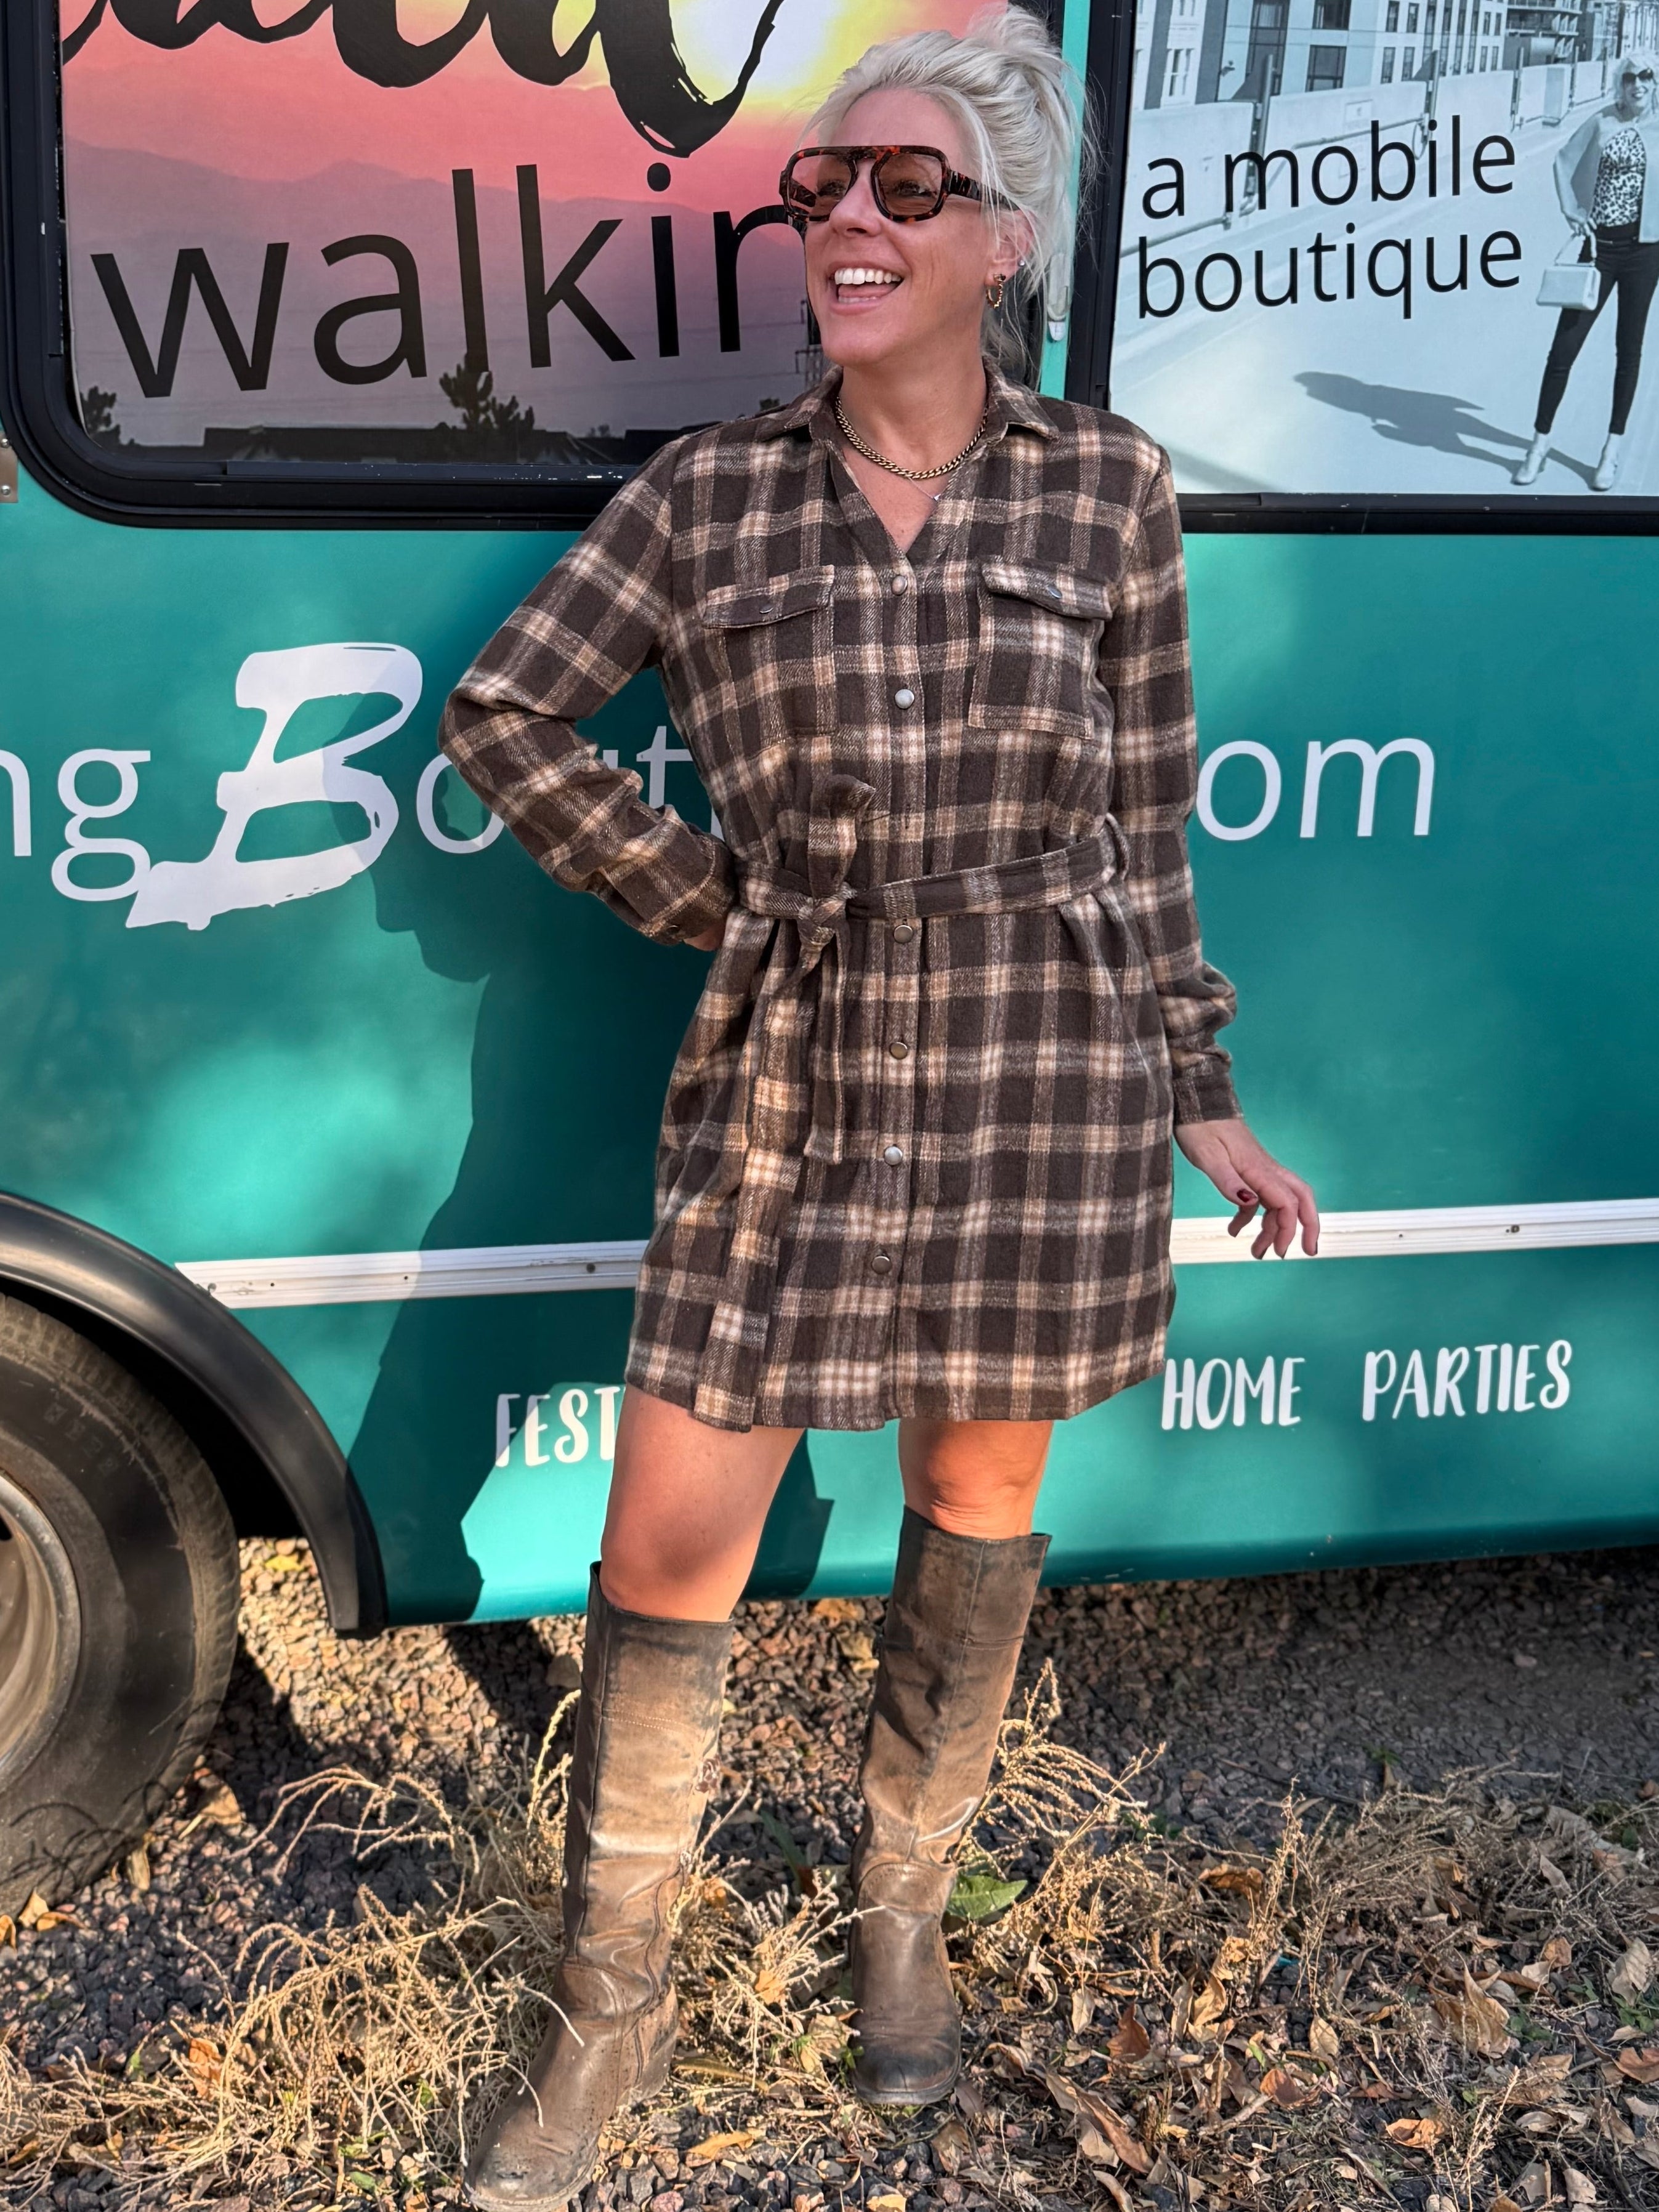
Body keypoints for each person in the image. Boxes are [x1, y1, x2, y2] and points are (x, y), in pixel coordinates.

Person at [440, 13, 1320, 2207]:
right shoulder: (707, 497)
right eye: (820, 186)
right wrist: (700, 893)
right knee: (665, 1537)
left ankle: (897, 1914)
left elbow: (1139, 825)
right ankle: (607, 2003)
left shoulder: (1104, 491)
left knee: (974, 1493)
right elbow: (505, 713)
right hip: (795, 1065)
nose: (843, 217)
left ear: (999, 240)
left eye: (900, 187)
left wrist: (1197, 1088)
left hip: (1040, 1068)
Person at [1515, 53, 1659, 491]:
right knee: (1563, 350)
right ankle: (1538, 446)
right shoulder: (1602, 122)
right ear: (1621, 84)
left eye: (1646, 77)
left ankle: (1610, 451)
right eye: (1631, 78)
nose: (1638, 85)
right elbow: (1564, 161)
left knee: (1628, 352)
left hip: (1645, 254)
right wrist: (1573, 210)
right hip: (1599, 250)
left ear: (1655, 83)